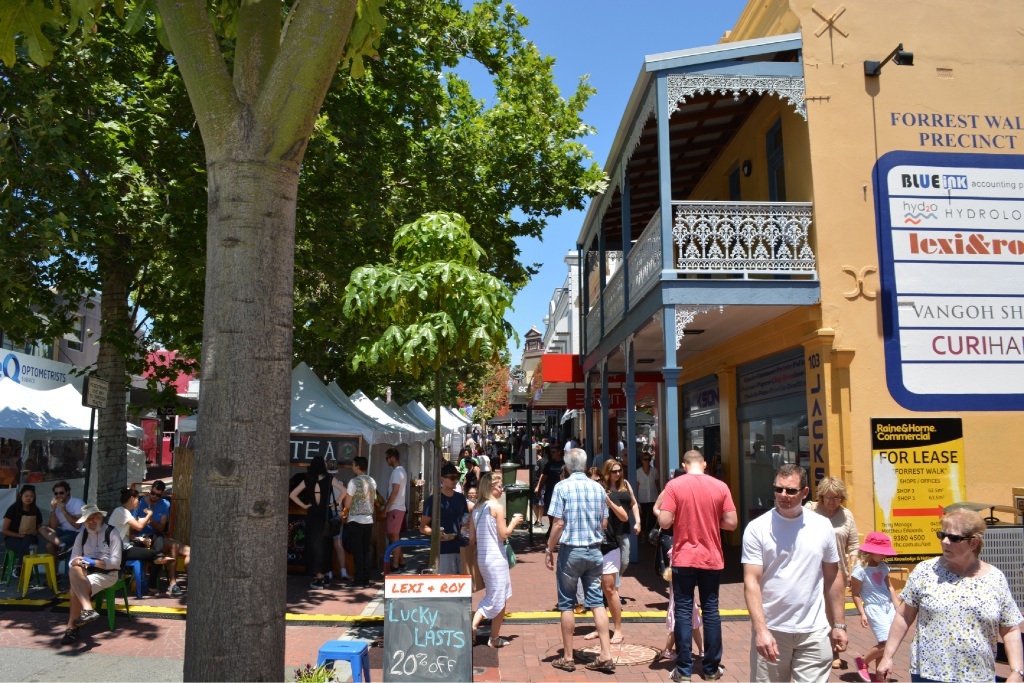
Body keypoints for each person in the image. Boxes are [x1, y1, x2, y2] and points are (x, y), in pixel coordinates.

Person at [877, 508, 1024, 683]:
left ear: (973, 543)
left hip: (978, 676)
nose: (945, 542)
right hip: (930, 675)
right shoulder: (925, 571)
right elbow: (903, 615)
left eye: (954, 538)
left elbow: (1010, 628)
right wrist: (887, 656)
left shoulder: (995, 579)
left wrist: (1017, 671)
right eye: (942, 535)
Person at [742, 464, 848, 683]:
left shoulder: (822, 526)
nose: (783, 495)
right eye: (778, 489)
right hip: (772, 630)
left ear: (805, 492)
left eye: (790, 490)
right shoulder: (757, 528)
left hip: (814, 631)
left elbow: (833, 576)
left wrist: (838, 624)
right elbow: (751, 581)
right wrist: (760, 630)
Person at [658, 450, 738, 682]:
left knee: (683, 611)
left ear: (684, 464)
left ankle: (683, 670)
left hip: (684, 557)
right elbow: (732, 523)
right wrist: (713, 521)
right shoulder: (720, 486)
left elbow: (664, 521)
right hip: (711, 557)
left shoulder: (675, 486)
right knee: (711, 611)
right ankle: (711, 668)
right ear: (704, 464)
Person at [545, 447, 616, 674]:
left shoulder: (561, 487)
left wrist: (549, 548)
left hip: (571, 550)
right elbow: (604, 523)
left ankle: (567, 657)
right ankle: (605, 654)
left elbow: (558, 523)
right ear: (585, 465)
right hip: (594, 550)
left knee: (567, 602)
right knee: (596, 601)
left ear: (566, 466)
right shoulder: (597, 488)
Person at [805, 476, 859, 669]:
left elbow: (853, 545)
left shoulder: (846, 515)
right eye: (828, 497)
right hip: (811, 571)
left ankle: (833, 649)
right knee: (811, 610)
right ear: (820, 496)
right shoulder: (810, 511)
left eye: (836, 498)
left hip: (837, 572)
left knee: (833, 613)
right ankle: (810, 650)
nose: (832, 502)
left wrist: (855, 568)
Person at [580, 459, 632, 644]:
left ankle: (618, 629)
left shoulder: (608, 495)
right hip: (590, 548)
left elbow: (625, 517)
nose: (593, 485)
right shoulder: (583, 498)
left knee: (610, 590)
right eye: (590, 482)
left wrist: (608, 501)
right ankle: (599, 627)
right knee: (595, 591)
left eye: (596, 481)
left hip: (608, 547)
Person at [469, 472, 522, 648]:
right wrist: (514, 522)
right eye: (500, 486)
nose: (502, 489)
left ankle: (490, 633)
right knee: (497, 598)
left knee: (496, 596)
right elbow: (503, 534)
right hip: (496, 557)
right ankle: (486, 633)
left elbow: (471, 538)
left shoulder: (476, 509)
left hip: (483, 557)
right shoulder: (497, 507)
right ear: (491, 488)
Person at [61, 504, 123, 645]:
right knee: (74, 569)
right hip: (86, 572)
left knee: (74, 588)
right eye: (88, 518)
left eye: (94, 517)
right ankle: (88, 609)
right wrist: (78, 561)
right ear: (84, 521)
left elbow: (116, 562)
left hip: (107, 574)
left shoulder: (112, 533)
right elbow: (72, 560)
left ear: (100, 517)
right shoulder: (81, 536)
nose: (91, 521)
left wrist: (94, 562)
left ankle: (72, 628)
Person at [850, 532, 899, 682]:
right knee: (886, 643)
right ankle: (863, 661)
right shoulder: (860, 569)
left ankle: (880, 677)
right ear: (870, 551)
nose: (885, 556)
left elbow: (889, 586)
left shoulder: (883, 566)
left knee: (888, 641)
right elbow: (856, 593)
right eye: (882, 552)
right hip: (873, 607)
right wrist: (862, 613)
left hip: (888, 607)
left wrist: (897, 605)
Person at [290, 455, 345, 589]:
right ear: (323, 466)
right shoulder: (330, 479)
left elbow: (292, 494)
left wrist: (304, 505)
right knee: (325, 547)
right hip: (325, 515)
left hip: (312, 516)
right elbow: (344, 491)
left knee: (313, 546)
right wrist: (335, 503)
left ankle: (318, 578)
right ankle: (326, 577)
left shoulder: (307, 480)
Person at [135, 479, 190, 596]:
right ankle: (172, 583)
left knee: (190, 551)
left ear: (162, 494)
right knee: (172, 546)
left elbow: (161, 527)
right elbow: (134, 524)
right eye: (153, 493)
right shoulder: (139, 502)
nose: (154, 497)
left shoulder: (165, 504)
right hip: (142, 536)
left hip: (157, 536)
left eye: (158, 495)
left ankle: (190, 584)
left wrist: (149, 520)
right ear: (150, 491)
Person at [420, 462, 469, 574]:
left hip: (461, 547)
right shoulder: (433, 500)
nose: (455, 480)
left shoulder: (461, 498)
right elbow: (423, 527)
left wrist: (467, 526)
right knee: (447, 586)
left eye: (457, 477)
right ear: (442, 479)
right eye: (452, 477)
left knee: (464, 587)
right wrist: (437, 534)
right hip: (443, 550)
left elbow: (466, 520)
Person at [109, 488, 174, 571]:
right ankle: (159, 561)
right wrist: (149, 515)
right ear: (132, 499)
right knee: (154, 554)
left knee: (155, 554)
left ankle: (151, 579)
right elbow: (139, 527)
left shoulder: (125, 512)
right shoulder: (121, 511)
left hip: (124, 546)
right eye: (138, 499)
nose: (139, 502)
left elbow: (128, 535)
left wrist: (141, 539)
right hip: (120, 549)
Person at [341, 455, 376, 588]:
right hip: (368, 519)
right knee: (365, 550)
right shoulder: (372, 481)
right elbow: (373, 499)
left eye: (353, 465)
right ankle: (366, 579)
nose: (352, 467)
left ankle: (358, 580)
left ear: (358, 466)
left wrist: (343, 514)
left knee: (357, 551)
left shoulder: (353, 482)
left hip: (355, 519)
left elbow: (348, 503)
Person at [39, 481, 84, 558]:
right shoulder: (57, 506)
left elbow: (77, 526)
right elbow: (53, 527)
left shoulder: (77, 503)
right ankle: (62, 545)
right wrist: (53, 510)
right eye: (56, 493)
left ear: (67, 492)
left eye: (61, 493)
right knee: (42, 528)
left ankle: (62, 548)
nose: (58, 495)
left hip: (76, 533)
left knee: (50, 546)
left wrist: (64, 510)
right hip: (63, 531)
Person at [383, 448, 408, 571]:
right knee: (393, 535)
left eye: (387, 458)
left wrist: (386, 507)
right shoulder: (400, 471)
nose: (386, 461)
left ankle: (395, 564)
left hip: (395, 507)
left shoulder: (397, 472)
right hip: (397, 507)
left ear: (392, 458)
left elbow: (395, 491)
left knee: (393, 535)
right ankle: (401, 561)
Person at [537, 442, 565, 533]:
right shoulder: (549, 464)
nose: (551, 454)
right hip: (550, 491)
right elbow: (544, 477)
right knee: (549, 510)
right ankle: (552, 526)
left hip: (562, 492)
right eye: (551, 452)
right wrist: (539, 488)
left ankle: (558, 529)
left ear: (559, 452)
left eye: (553, 452)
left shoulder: (565, 463)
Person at [636, 450, 660, 541]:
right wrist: (636, 499)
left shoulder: (654, 471)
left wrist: (660, 497)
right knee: (643, 517)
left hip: (653, 497)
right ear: (642, 460)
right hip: (642, 498)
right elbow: (636, 486)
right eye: (645, 459)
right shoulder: (638, 472)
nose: (647, 461)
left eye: (649, 459)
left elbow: (657, 484)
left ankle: (650, 535)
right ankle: (642, 535)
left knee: (652, 518)